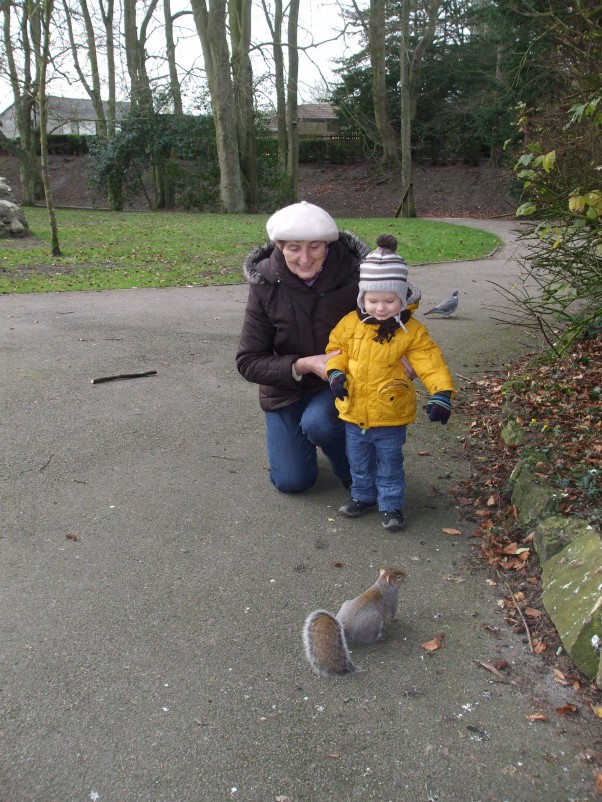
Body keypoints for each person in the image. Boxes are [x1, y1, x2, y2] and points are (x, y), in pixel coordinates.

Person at [236, 201, 370, 493]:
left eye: (315, 247)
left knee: (319, 423)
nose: (305, 258)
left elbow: (398, 307)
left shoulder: (359, 274)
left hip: (340, 382)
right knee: (292, 482)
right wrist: (304, 364)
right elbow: (248, 360)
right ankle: (307, 444)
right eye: (294, 248)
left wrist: (406, 355)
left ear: (329, 246)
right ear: (279, 246)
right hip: (285, 389)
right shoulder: (264, 283)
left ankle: (353, 469)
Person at [326, 234, 455, 532]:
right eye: (373, 300)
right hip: (354, 409)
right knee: (357, 460)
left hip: (391, 413)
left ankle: (391, 505)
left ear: (403, 297)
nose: (381, 308)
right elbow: (336, 351)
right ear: (362, 298)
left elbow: (429, 362)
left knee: (389, 463)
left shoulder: (410, 332)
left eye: (389, 301)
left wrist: (441, 393)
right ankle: (363, 496)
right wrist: (335, 373)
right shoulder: (350, 323)